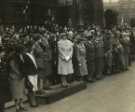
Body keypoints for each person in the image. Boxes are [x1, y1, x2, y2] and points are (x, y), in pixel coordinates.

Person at [9, 45, 27, 112]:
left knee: (21, 91)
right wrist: (19, 74)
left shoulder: (20, 56)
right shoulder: (12, 57)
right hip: (14, 77)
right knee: (16, 93)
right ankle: (17, 107)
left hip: (20, 76)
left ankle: (21, 105)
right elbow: (13, 67)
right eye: (23, 50)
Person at [0, 47, 11, 112]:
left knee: (3, 97)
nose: (4, 53)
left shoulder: (2, 60)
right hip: (1, 81)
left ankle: (2, 109)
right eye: (2, 52)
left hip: (4, 81)